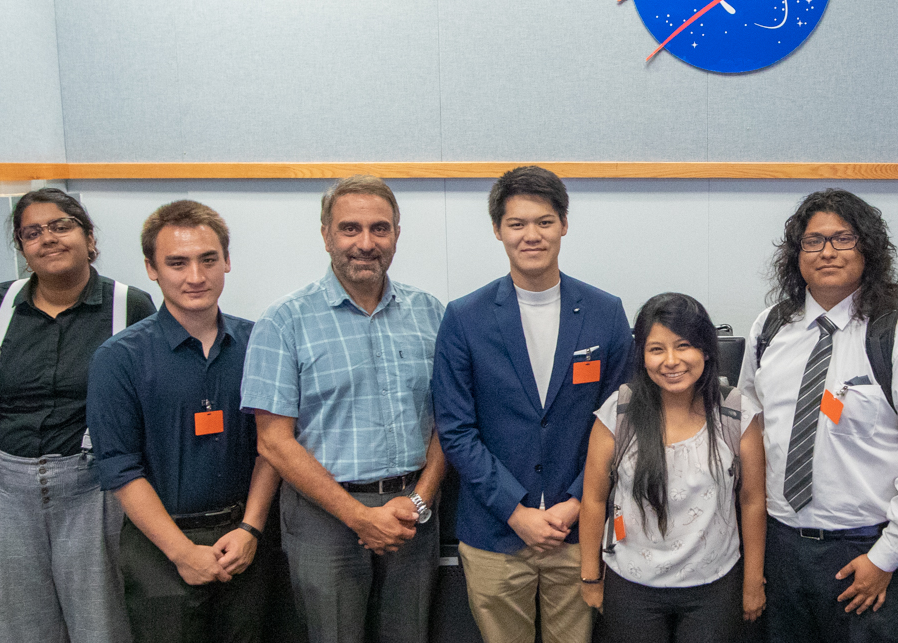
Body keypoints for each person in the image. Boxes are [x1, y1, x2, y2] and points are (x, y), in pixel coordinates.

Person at [737, 188, 898, 643]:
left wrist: (886, 558)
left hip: (869, 552)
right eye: (814, 241)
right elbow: (749, 430)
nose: (828, 252)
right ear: (796, 255)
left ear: (868, 249)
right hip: (783, 547)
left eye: (843, 239)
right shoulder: (769, 327)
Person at [0, 188, 155, 643]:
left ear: (88, 237)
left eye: (61, 226)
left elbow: (146, 412)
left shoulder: (129, 307)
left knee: (103, 626)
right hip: (4, 492)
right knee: (21, 630)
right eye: (32, 233)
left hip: (94, 488)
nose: (48, 239)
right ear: (22, 248)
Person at [241, 176, 447, 643]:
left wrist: (419, 500)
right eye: (350, 229)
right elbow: (273, 441)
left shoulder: (430, 313)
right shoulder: (284, 320)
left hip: (411, 512)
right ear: (326, 234)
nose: (366, 243)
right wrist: (359, 517)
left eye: (380, 229)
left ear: (396, 233)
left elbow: (447, 421)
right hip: (324, 518)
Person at [434, 166, 632, 643]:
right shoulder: (465, 318)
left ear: (564, 224)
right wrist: (515, 510)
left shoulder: (606, 312)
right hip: (496, 535)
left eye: (544, 221)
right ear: (498, 230)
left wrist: (574, 503)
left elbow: (622, 421)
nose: (531, 235)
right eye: (517, 224)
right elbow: (456, 430)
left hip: (578, 532)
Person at [87, 200, 280, 643]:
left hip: (247, 542)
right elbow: (119, 468)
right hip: (161, 549)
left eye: (208, 259)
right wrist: (182, 552)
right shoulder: (118, 360)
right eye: (177, 262)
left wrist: (250, 528)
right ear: (152, 269)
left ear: (227, 261)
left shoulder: (260, 344)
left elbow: (273, 445)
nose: (195, 276)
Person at [577, 292, 768, 643]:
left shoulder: (736, 412)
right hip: (632, 585)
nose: (671, 361)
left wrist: (753, 581)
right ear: (642, 355)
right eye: (656, 349)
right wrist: (591, 577)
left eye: (684, 346)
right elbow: (592, 499)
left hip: (714, 587)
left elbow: (753, 501)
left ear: (707, 351)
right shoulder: (619, 412)